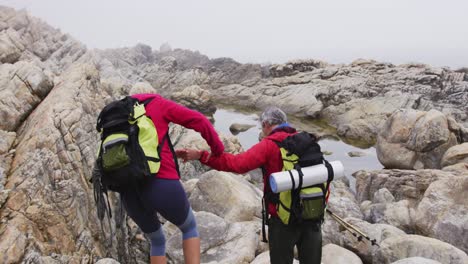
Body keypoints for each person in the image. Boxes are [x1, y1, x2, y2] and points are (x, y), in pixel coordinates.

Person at [176, 107, 322, 264]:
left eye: (261, 127)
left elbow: (237, 164)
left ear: (266, 124)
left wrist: (202, 156)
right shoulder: (307, 141)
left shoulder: (269, 145)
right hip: (312, 212)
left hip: (283, 219)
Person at [120, 93, 224, 264]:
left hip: (128, 191)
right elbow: (199, 120)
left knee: (157, 240)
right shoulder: (157, 103)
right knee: (189, 227)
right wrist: (218, 150)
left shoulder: (121, 111)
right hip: (161, 182)